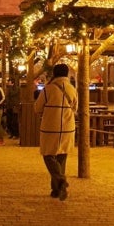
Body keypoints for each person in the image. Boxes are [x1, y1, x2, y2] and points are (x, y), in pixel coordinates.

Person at [35, 64, 77, 201]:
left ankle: (60, 180)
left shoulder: (48, 89)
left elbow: (37, 108)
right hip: (68, 127)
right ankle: (57, 189)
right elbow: (75, 107)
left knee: (48, 154)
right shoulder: (72, 89)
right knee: (61, 156)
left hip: (50, 126)